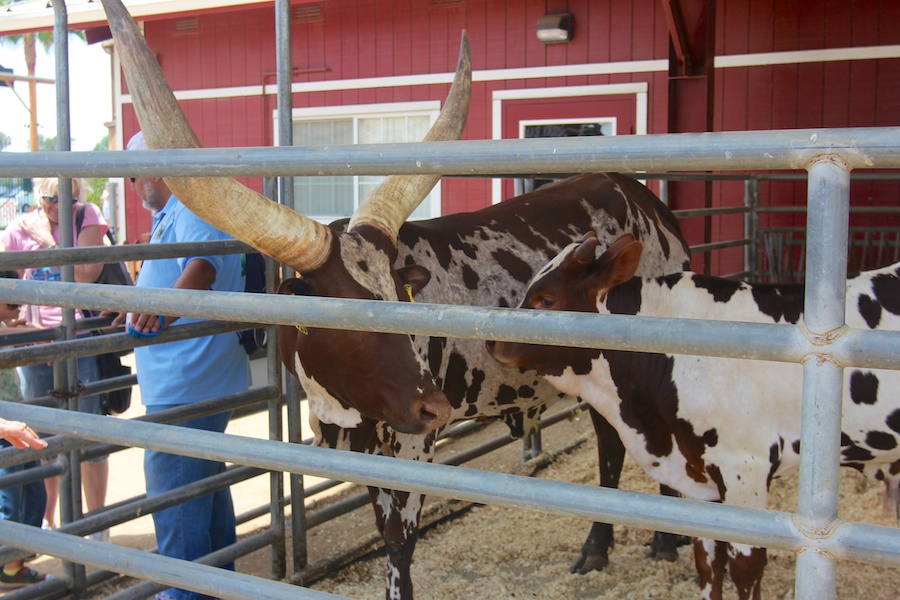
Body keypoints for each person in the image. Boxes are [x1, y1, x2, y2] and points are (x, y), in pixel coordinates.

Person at [113, 131, 250, 600]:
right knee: (206, 504)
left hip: (185, 385)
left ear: (156, 169)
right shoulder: (179, 210)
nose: (134, 187)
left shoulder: (191, 206)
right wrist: (138, 302)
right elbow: (180, 271)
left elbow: (203, 267)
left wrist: (159, 309)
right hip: (197, 379)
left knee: (177, 511)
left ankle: (184, 593)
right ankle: (215, 590)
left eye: (135, 176)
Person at [0, 177, 112, 537]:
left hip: (77, 336)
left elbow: (87, 274)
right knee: (40, 437)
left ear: (76, 195)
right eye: (48, 198)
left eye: (63, 198)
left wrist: (48, 244)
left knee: (89, 433)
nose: (54, 206)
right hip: (35, 343)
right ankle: (49, 524)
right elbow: (6, 279)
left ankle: (97, 523)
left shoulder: (86, 217)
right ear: (38, 197)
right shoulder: (18, 228)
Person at [0, 271, 49, 589]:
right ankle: (7, 564)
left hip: (13, 421)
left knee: (33, 495)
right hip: (3, 426)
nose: (19, 308)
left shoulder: (6, 327)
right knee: (10, 499)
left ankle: (12, 566)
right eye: (12, 300)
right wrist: (30, 330)